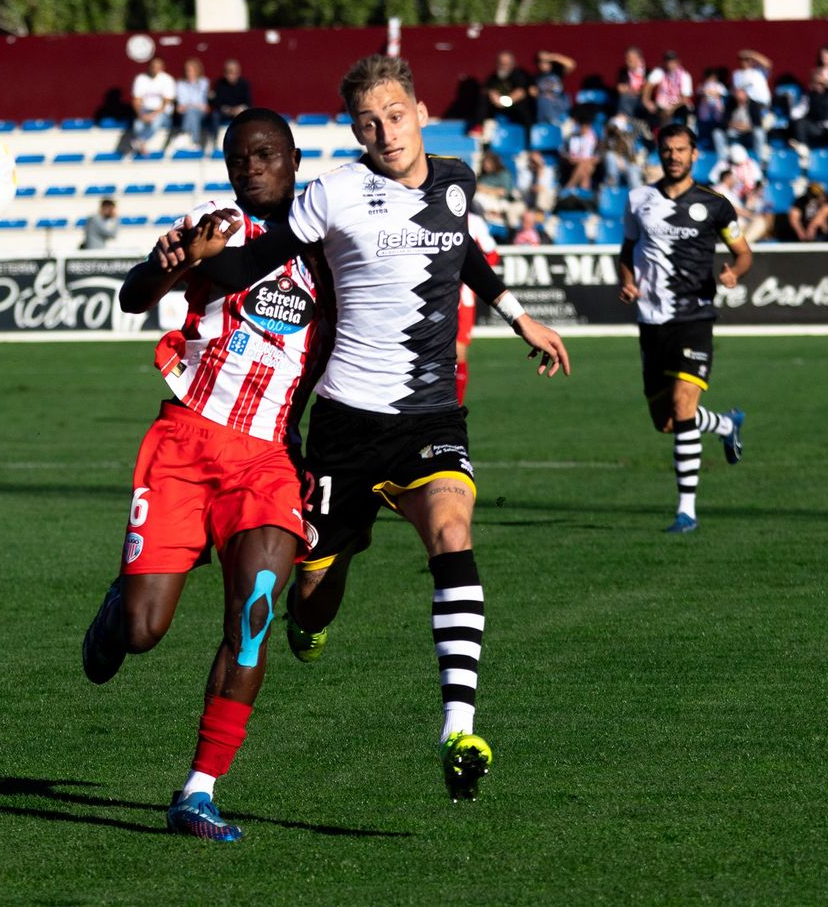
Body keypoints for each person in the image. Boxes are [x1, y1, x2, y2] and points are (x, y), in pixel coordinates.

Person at [178, 54, 572, 805]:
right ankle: (328, 581)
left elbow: (470, 260)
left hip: (431, 416)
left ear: (421, 114)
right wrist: (187, 266)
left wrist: (521, 318)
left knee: (453, 531)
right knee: (315, 594)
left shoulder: (455, 182)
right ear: (355, 131)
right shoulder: (333, 193)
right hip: (345, 428)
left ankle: (458, 728)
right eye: (369, 122)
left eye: (395, 116)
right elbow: (261, 257)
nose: (386, 132)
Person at [81, 108, 327, 843]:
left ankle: (198, 790)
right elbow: (132, 296)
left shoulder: (328, 247)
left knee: (253, 616)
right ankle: (122, 604)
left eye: (264, 154)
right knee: (143, 630)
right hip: (186, 441)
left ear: (291, 158)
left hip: (269, 459)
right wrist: (175, 260)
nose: (249, 168)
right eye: (237, 158)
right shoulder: (211, 223)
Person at [617, 123, 752, 535]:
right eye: (667, 150)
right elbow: (626, 248)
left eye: (681, 150)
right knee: (667, 421)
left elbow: (743, 253)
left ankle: (686, 511)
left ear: (695, 154)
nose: (673, 156)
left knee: (682, 404)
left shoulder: (716, 205)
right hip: (651, 320)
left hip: (694, 316)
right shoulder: (639, 199)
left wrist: (734, 274)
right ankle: (726, 425)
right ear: (659, 154)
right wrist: (626, 278)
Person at [455, 210, 500, 404]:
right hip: (433, 292)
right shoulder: (430, 211)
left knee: (458, 352)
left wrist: (469, 275)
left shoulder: (473, 222)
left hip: (462, 296)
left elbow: (492, 254)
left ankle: (456, 405)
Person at [128, 57, 176, 156]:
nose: (155, 69)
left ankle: (140, 141)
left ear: (162, 68)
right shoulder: (141, 79)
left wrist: (153, 115)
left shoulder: (167, 79)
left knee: (156, 121)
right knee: (138, 125)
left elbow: (166, 102)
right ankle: (142, 146)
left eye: (158, 67)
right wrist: (141, 115)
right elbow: (136, 100)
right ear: (149, 67)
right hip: (145, 110)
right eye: (153, 66)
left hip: (163, 113)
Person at [642, 50, 692, 128]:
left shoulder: (684, 75)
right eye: (668, 62)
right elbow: (648, 85)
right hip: (660, 108)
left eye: (672, 62)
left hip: (677, 108)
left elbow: (685, 98)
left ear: (677, 62)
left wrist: (672, 108)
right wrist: (646, 101)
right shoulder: (659, 71)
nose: (670, 64)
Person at [482, 51, 531, 126]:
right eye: (502, 63)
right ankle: (478, 126)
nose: (504, 65)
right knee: (484, 100)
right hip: (498, 107)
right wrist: (492, 94)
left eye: (507, 63)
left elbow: (521, 92)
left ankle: (526, 135)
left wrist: (504, 102)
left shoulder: (518, 74)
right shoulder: (494, 77)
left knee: (523, 110)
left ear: (512, 63)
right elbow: (487, 89)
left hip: (515, 108)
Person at [530, 49, 576, 127]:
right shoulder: (536, 78)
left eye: (546, 61)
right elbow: (534, 94)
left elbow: (571, 64)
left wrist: (554, 57)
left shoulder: (557, 72)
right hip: (545, 114)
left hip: (561, 113)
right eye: (540, 61)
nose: (543, 64)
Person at [174, 59, 211, 149]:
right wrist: (194, 105)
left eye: (190, 70)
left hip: (201, 113)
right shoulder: (180, 84)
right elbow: (182, 103)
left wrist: (191, 105)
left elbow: (202, 104)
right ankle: (195, 142)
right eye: (186, 70)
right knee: (191, 112)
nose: (188, 73)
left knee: (191, 112)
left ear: (197, 71)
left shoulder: (204, 82)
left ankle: (185, 134)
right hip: (186, 113)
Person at [211, 58, 252, 125]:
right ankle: (215, 135)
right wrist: (228, 109)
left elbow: (248, 102)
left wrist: (239, 109)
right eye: (228, 72)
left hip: (239, 111)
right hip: (225, 111)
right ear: (224, 73)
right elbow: (216, 102)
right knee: (215, 115)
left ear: (238, 73)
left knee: (246, 115)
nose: (231, 75)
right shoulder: (219, 84)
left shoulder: (244, 84)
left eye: (234, 72)